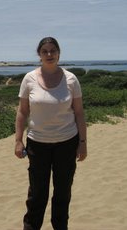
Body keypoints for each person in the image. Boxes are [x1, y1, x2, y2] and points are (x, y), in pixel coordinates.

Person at [14, 37, 87, 230]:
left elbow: (79, 113)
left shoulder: (71, 79)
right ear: (39, 54)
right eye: (45, 51)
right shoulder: (29, 79)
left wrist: (83, 142)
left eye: (53, 50)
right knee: (37, 194)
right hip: (37, 144)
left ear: (59, 53)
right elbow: (22, 112)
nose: (49, 54)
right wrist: (18, 141)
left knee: (63, 193)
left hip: (67, 143)